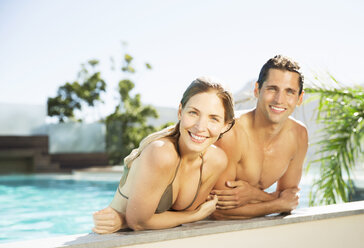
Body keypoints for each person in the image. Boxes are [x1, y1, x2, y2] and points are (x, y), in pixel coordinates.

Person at [93, 77, 235, 232]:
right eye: (193, 113)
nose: (200, 127)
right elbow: (139, 223)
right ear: (180, 112)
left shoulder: (217, 161)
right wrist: (195, 215)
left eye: (213, 118)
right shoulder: (161, 152)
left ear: (225, 125)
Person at [211, 55, 308, 220]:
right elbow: (218, 210)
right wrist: (276, 203)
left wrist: (254, 195)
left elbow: (289, 197)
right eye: (272, 89)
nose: (279, 100)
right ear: (257, 90)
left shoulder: (299, 135)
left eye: (289, 92)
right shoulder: (231, 132)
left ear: (299, 98)